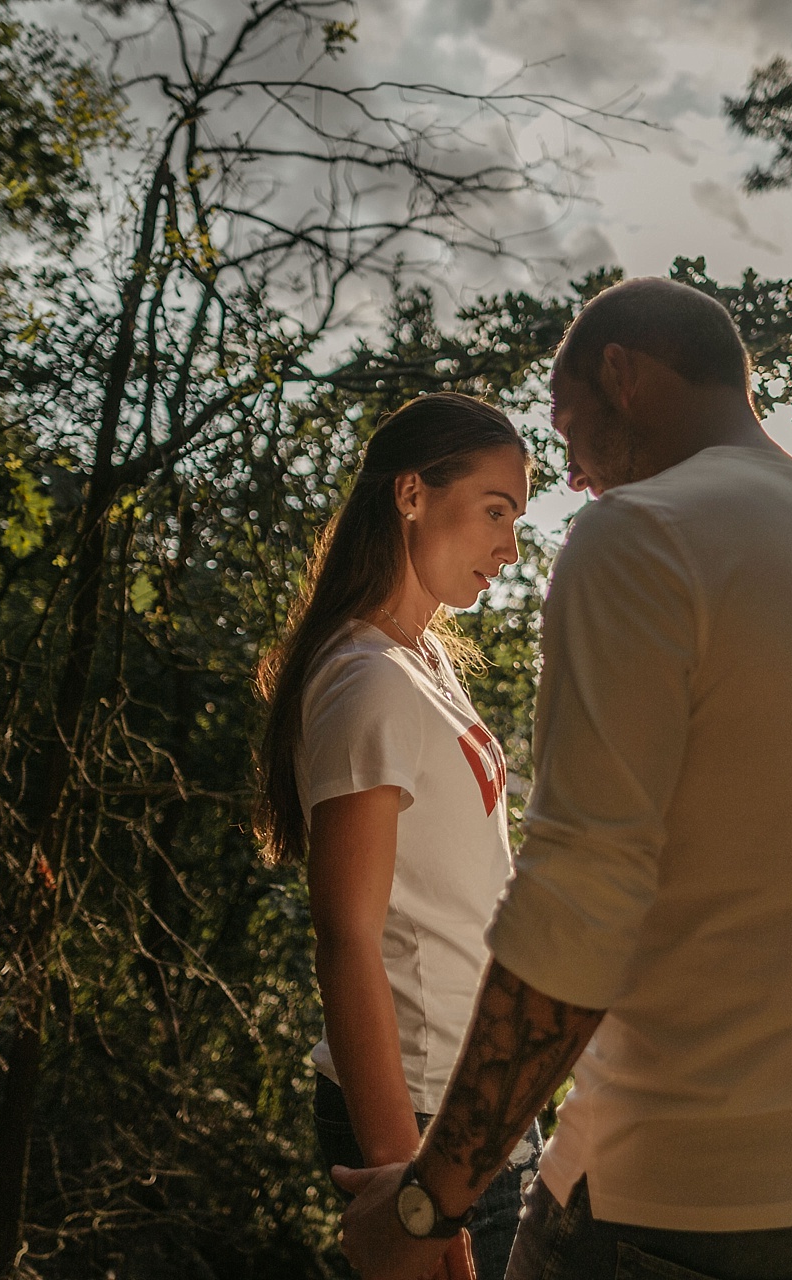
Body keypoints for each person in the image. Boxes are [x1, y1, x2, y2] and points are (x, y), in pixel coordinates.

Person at [332, 278, 792, 1280]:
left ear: (623, 374)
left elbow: (579, 901)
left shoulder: (638, 537)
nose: (578, 478)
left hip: (678, 1201)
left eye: (569, 423)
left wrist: (428, 1198)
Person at [256, 392, 546, 1280]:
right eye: (495, 511)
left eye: (518, 520)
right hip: (421, 1114)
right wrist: (403, 1190)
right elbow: (346, 938)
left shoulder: (415, 661)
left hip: (476, 1097)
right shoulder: (366, 678)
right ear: (412, 494)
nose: (510, 546)